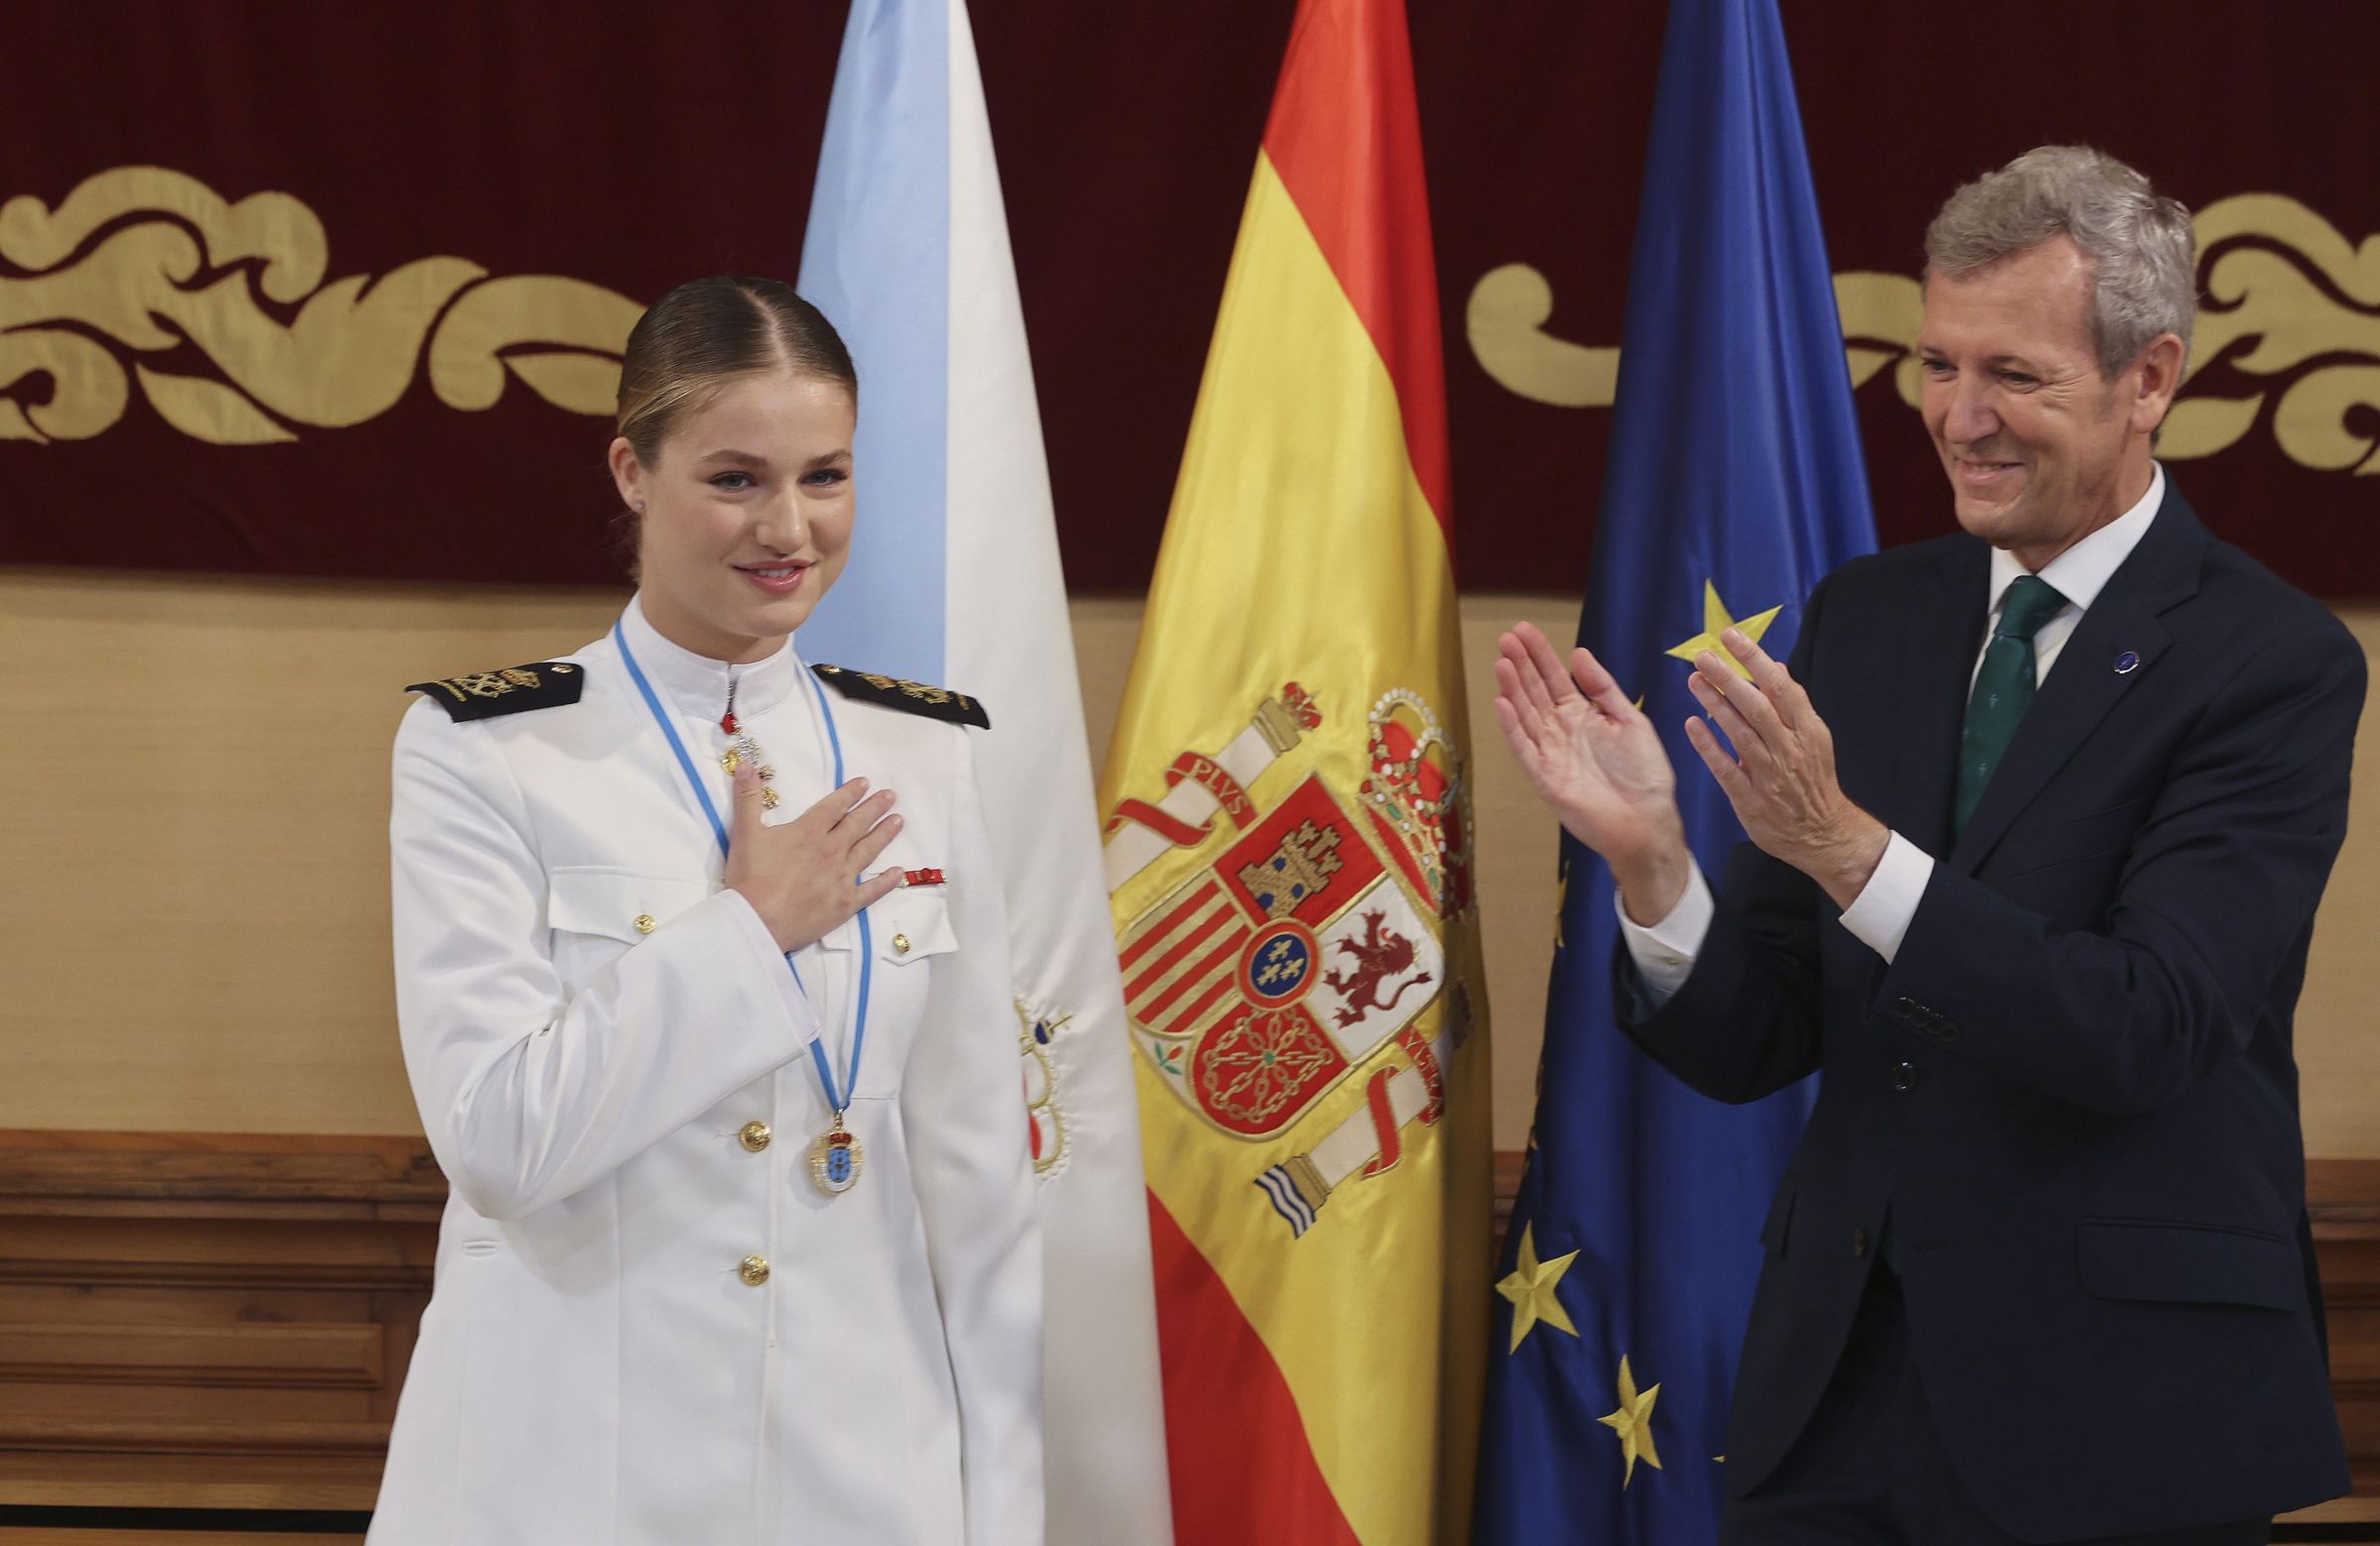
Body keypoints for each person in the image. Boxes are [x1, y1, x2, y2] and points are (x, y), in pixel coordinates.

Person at [1495, 147, 2362, 1545]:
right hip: (1837, 1394)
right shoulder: (1872, 613)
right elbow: (1759, 1033)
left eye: (2016, 375)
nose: (1963, 418)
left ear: (2151, 378)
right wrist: (1656, 861)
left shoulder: (2270, 660)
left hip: (2117, 1408)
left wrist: (1850, 849)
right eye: (1938, 365)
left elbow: (2147, 1023)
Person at [368, 277, 1041, 1544]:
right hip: (568, 1466)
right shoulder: (489, 751)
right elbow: (502, 1141)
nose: (789, 526)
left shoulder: (926, 754)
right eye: (736, 477)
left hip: (861, 1471)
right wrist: (750, 932)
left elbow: (978, 1185)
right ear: (632, 469)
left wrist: (1000, 1514)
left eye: (826, 475)